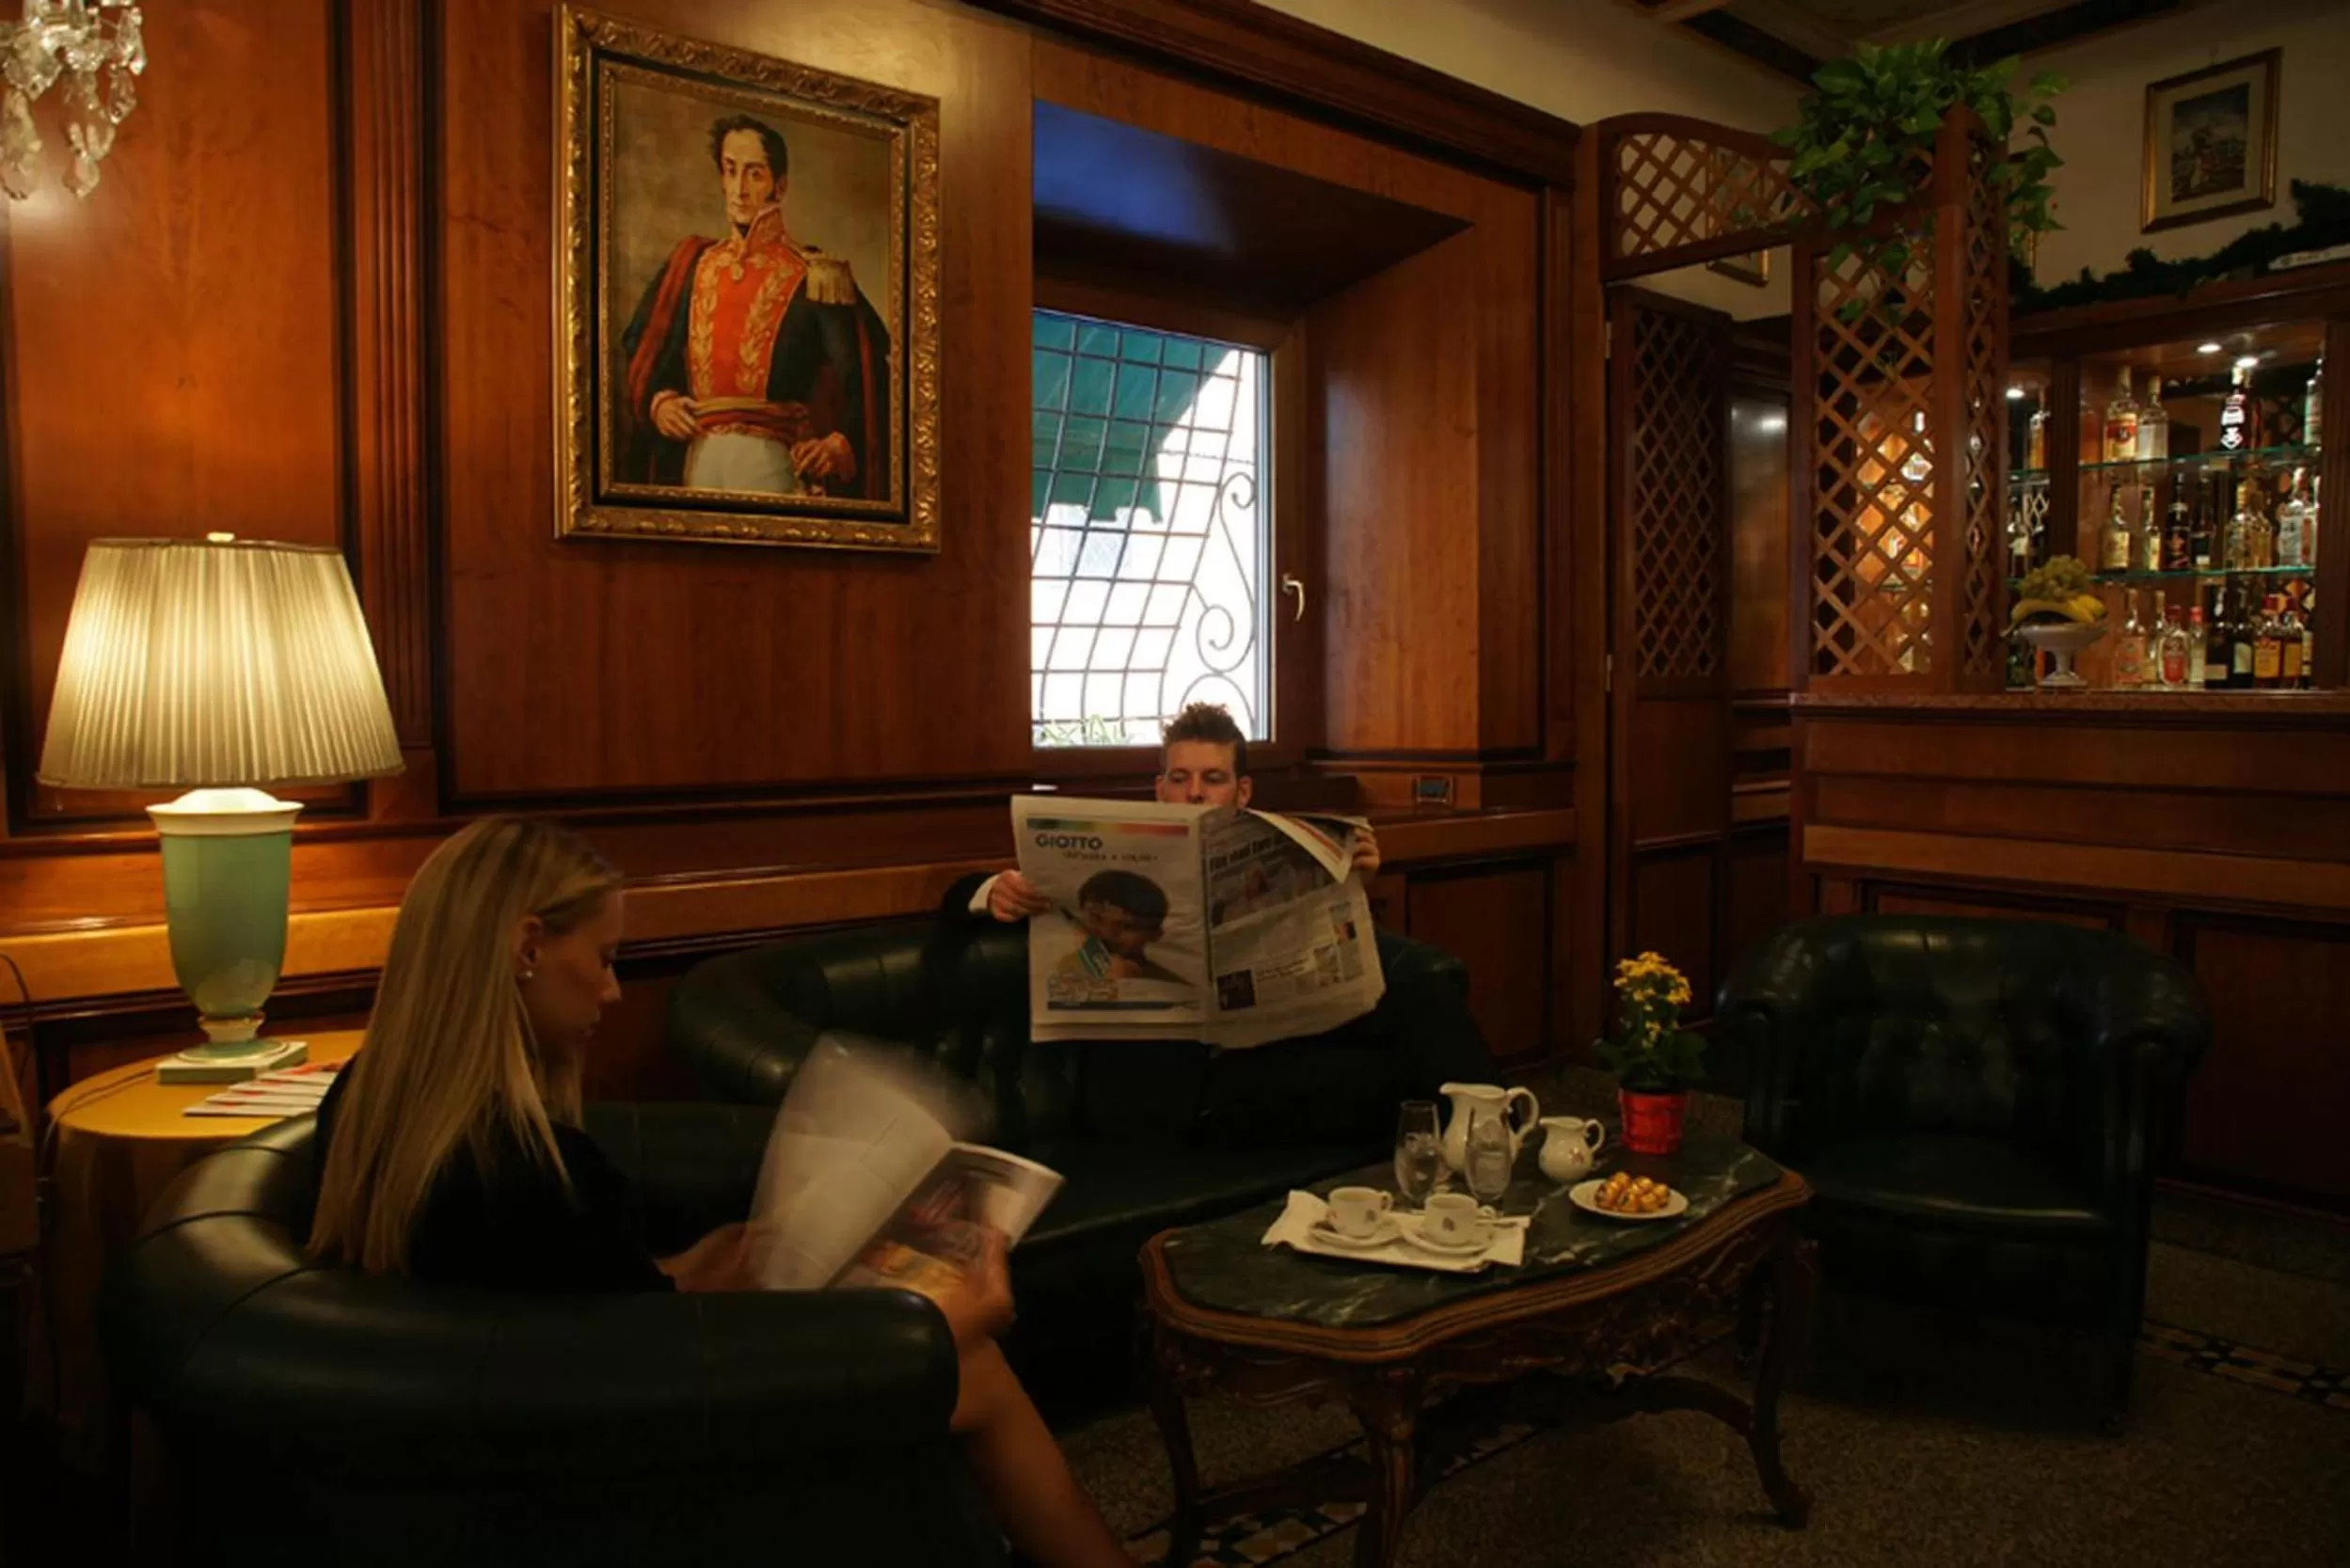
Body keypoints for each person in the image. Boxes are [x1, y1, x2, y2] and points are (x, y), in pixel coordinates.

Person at [310, 817, 1127, 1568]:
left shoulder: (367, 1102)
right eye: (602, 957)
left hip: (488, 1467)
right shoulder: (531, 1171)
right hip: (638, 1475)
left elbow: (553, 1312)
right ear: (527, 946)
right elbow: (647, 1384)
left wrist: (679, 1274)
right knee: (970, 1365)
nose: (613, 992)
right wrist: (953, 1321)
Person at [947, 703, 1490, 1147]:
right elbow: (956, 902)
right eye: (1180, 779)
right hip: (1167, 1087)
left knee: (1424, 991)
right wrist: (989, 891)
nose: (1195, 793)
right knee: (1359, 1083)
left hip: (1258, 1049)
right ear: (1160, 788)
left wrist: (1350, 884)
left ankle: (1490, 1139)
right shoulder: (1109, 863)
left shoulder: (1272, 853)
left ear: (1242, 792)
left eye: (1213, 778)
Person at [618, 114, 892, 499]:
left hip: (770, 460)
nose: (739, 189)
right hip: (697, 455)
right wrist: (659, 403)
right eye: (730, 171)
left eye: (754, 174)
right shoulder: (692, 263)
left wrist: (838, 443)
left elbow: (866, 376)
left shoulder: (815, 274)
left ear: (778, 187)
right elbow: (643, 351)